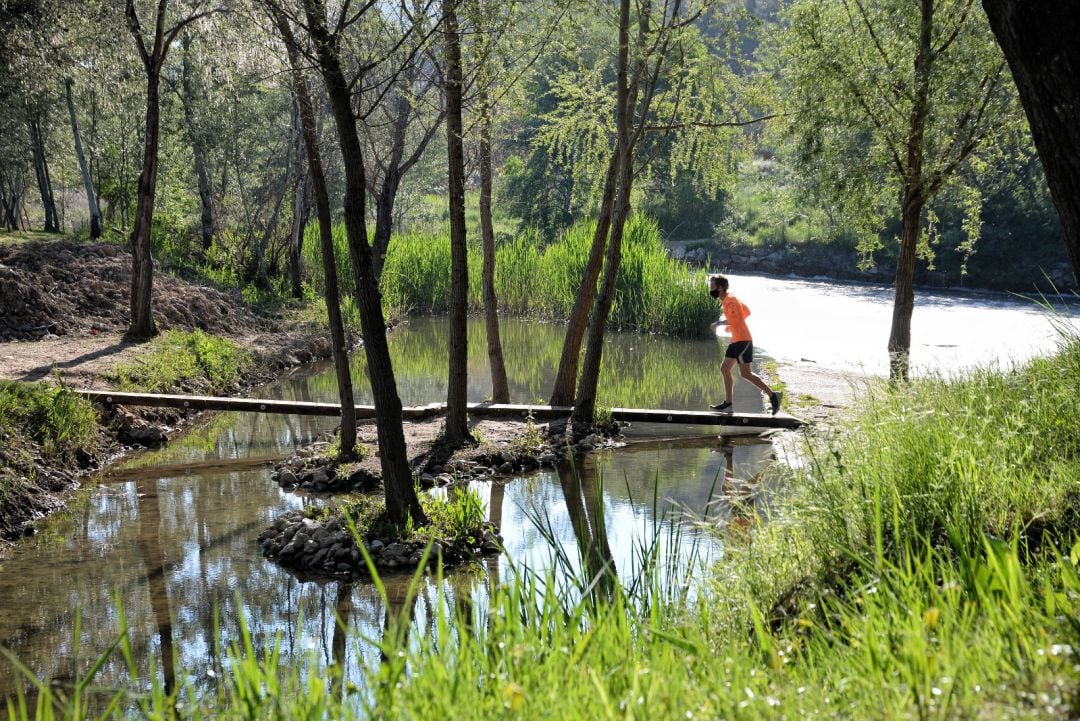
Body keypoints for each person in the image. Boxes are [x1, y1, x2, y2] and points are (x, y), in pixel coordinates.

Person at [708, 274, 782, 415]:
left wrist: (720, 323)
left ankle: (773, 396)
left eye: (712, 287)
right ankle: (728, 404)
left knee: (746, 373)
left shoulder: (730, 300)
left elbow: (736, 318)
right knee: (724, 368)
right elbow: (746, 311)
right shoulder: (727, 300)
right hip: (736, 340)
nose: (710, 289)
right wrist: (734, 325)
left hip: (743, 341)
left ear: (720, 288)